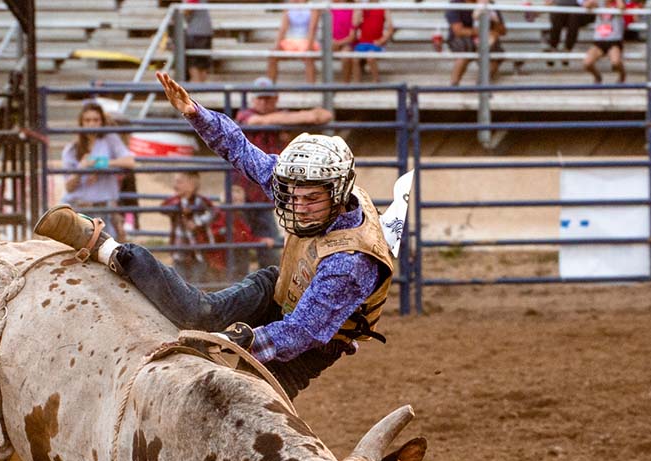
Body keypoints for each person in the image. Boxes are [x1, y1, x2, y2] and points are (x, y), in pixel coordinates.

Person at [34, 71, 394, 399]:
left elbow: (302, 332)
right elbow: (242, 151)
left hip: (313, 344)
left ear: (337, 193)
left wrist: (233, 342)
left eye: (311, 199)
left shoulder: (350, 263)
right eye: (293, 196)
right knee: (201, 313)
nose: (298, 206)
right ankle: (110, 248)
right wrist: (195, 112)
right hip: (280, 287)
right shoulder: (305, 186)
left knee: (247, 399)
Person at [234, 76, 333, 271]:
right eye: (260, 98)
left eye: (268, 98)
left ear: (276, 98)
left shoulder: (278, 117)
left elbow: (323, 116)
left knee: (270, 244)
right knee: (240, 242)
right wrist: (295, 118)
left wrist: (286, 119)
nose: (264, 103)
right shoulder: (246, 115)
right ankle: (240, 280)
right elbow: (255, 121)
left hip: (269, 191)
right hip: (246, 190)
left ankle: (272, 281)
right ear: (254, 100)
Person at [60, 101, 136, 239]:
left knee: (106, 247)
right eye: (87, 120)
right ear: (81, 123)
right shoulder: (72, 149)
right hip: (79, 209)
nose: (92, 124)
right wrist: (81, 169)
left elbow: (130, 161)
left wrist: (101, 163)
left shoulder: (110, 140)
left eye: (96, 120)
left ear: (102, 122)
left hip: (103, 209)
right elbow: (69, 187)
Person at [160, 170, 223, 283]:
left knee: (196, 281)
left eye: (179, 182)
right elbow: (163, 208)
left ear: (191, 185)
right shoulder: (176, 201)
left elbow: (214, 212)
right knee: (179, 280)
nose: (175, 185)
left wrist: (197, 222)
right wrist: (178, 207)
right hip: (180, 249)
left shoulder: (200, 201)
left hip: (198, 250)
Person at [447, 0, 507, 87]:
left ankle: (481, 84)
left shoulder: (489, 4)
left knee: (496, 52)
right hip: (462, 39)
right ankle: (454, 84)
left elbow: (503, 31)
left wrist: (495, 20)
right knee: (466, 48)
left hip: (485, 38)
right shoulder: (456, 3)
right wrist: (483, 32)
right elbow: (458, 31)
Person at [267, 0, 320, 84]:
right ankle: (270, 87)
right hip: (291, 41)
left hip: (307, 40)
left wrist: (309, 47)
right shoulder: (288, 8)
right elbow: (283, 29)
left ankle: (311, 87)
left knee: (309, 57)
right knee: (273, 56)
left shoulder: (313, 8)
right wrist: (276, 46)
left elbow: (312, 29)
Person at [349, 0, 396, 83]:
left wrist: (382, 40)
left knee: (370, 57)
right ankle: (356, 82)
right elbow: (355, 24)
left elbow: (391, 29)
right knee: (355, 59)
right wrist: (358, 9)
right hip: (362, 42)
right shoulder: (362, 8)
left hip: (375, 43)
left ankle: (376, 80)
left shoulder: (384, 9)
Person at [582, 0, 628, 82]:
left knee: (616, 62)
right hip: (599, 41)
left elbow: (622, 7)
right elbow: (586, 5)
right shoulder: (600, 3)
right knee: (587, 63)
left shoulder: (617, 4)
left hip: (614, 41)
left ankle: (622, 74)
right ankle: (598, 76)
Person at [544, 0, 597, 65]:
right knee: (559, 12)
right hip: (564, 12)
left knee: (574, 15)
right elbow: (548, 3)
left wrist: (591, 2)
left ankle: (567, 49)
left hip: (582, 12)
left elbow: (593, 3)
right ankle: (553, 47)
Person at [183, 0, 214, 83]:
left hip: (196, 33)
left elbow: (189, 8)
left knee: (194, 64)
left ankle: (195, 84)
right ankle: (200, 85)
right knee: (202, 65)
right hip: (205, 31)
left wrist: (177, 15)